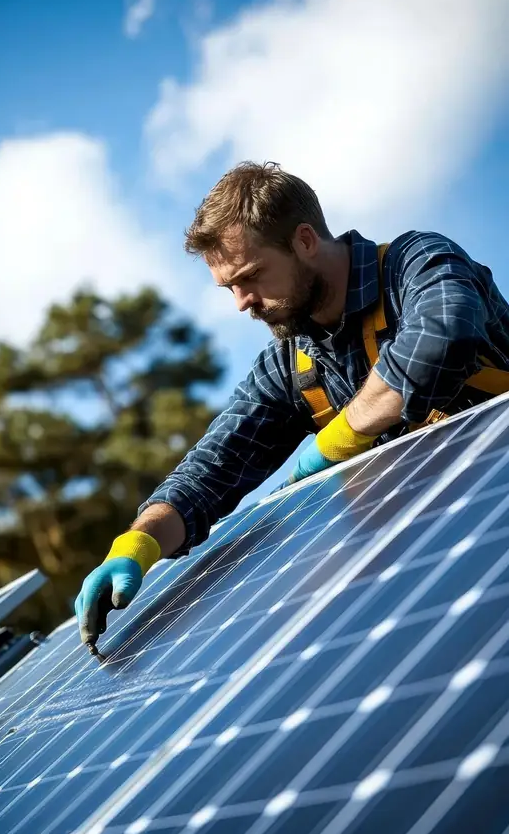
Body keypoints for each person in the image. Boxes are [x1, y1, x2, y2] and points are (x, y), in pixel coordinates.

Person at [75, 161, 509, 648]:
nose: (242, 302)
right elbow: (208, 473)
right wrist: (138, 543)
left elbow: (442, 337)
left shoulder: (417, 262)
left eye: (251, 276)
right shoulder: (289, 365)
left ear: (305, 240)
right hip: (448, 567)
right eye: (229, 287)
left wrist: (336, 441)